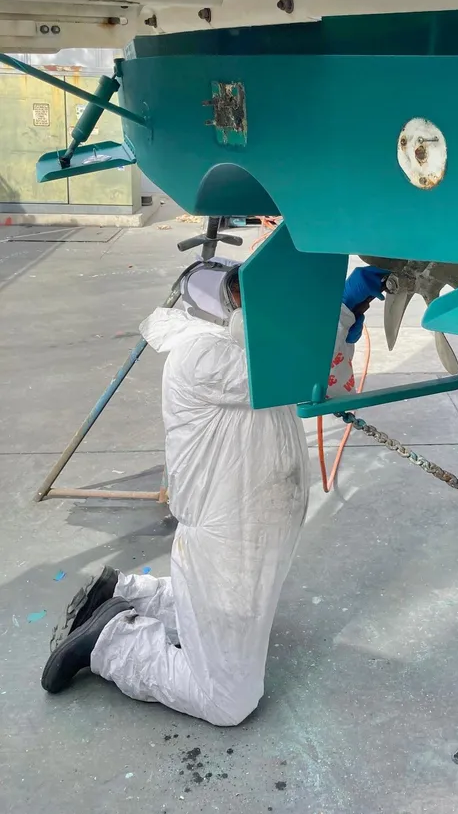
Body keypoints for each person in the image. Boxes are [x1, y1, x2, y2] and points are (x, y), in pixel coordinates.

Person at [41, 262, 388, 726]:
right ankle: (110, 640)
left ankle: (122, 590)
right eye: (239, 294)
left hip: (250, 532)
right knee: (227, 700)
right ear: (216, 309)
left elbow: (318, 380)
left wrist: (335, 315)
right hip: (228, 538)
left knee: (231, 608)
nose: (254, 303)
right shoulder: (202, 356)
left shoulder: (239, 348)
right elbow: (294, 370)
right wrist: (339, 311)